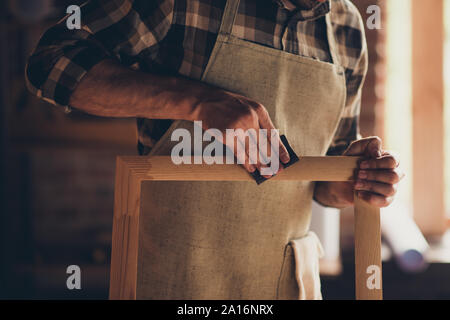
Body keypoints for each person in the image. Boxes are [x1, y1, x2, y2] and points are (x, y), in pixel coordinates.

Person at [26, 0, 403, 299]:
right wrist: (196, 102)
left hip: (283, 286)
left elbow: (322, 180)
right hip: (177, 281)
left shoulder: (348, 29)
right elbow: (51, 64)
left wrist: (353, 183)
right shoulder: (183, 4)